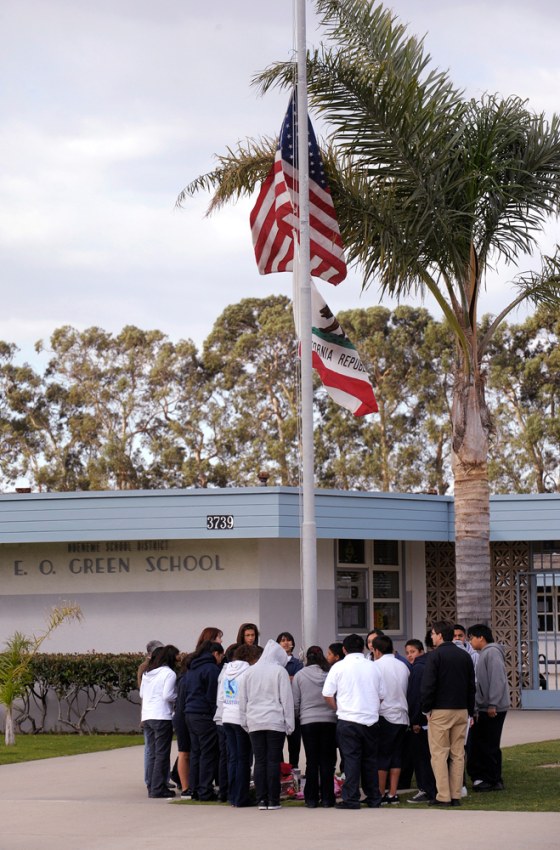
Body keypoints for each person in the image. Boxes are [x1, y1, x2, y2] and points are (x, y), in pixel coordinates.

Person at [322, 633, 385, 810]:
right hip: (371, 720)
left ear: (344, 649)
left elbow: (327, 694)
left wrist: (338, 708)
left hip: (348, 719)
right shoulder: (373, 667)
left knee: (351, 760)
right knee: (370, 760)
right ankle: (373, 797)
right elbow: (382, 696)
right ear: (364, 648)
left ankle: (351, 798)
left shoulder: (339, 667)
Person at [420, 621, 475, 807]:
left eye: (433, 634)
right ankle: (456, 794)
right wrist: (469, 710)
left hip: (440, 711)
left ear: (440, 635)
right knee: (458, 754)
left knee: (439, 754)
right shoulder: (464, 656)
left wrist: (426, 709)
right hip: (461, 710)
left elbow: (428, 686)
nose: (432, 637)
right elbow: (471, 686)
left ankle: (443, 795)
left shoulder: (434, 656)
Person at [238, 639, 294, 811]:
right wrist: (289, 724)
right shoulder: (279, 671)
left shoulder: (249, 672)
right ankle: (273, 799)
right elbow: (286, 699)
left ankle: (261, 799)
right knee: (273, 760)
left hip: (254, 721)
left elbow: (243, 700)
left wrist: (244, 721)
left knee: (259, 761)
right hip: (275, 721)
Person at [215, 643, 261, 807]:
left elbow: (220, 697)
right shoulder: (248, 672)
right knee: (243, 760)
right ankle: (242, 797)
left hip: (227, 716)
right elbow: (250, 697)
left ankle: (233, 795)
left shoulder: (226, 670)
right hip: (241, 718)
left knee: (233, 759)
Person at [292, 646, 337, 808]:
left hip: (308, 722)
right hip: (329, 720)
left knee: (312, 761)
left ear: (307, 658)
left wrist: (297, 717)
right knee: (327, 761)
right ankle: (327, 798)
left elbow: (296, 703)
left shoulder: (299, 676)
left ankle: (311, 799)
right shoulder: (329, 674)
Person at [467, 624, 510, 792]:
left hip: (493, 708)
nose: (470, 641)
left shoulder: (491, 652)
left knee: (490, 744)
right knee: (483, 743)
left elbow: (497, 679)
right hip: (486, 706)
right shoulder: (485, 653)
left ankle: (494, 780)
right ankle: (486, 777)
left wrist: (492, 703)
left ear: (481, 638)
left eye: (471, 638)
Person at [371, 634, 409, 804]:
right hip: (402, 715)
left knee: (382, 756)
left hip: (384, 715)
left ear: (376, 650)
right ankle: (392, 793)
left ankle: (379, 792)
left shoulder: (375, 666)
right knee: (396, 755)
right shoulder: (403, 666)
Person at [184, 640, 223, 801]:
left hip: (190, 712)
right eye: (221, 656)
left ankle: (195, 789)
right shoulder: (211, 669)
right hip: (204, 714)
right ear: (216, 654)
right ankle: (205, 790)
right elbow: (212, 695)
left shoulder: (192, 667)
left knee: (196, 752)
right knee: (208, 753)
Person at [139, 644, 179, 798]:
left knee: (152, 752)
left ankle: (152, 784)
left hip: (147, 715)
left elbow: (142, 693)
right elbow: (167, 695)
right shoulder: (169, 674)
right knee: (162, 753)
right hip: (162, 715)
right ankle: (158, 788)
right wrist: (179, 697)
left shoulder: (148, 673)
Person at [405, 639, 437, 803]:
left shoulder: (418, 668)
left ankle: (425, 789)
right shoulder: (430, 664)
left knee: (422, 757)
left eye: (412, 652)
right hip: (432, 718)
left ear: (420, 651)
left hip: (421, 721)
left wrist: (415, 721)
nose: (410, 655)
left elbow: (416, 697)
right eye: (408, 653)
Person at [137, 640, 163, 791]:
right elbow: (143, 689)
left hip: (149, 712)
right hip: (151, 713)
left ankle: (158, 778)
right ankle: (150, 779)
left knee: (155, 748)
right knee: (151, 749)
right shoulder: (146, 667)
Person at [277, 631, 303, 768]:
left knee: (294, 745)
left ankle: (294, 770)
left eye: (288, 640)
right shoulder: (275, 663)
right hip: (278, 708)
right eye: (282, 640)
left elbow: (297, 680)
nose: (285, 642)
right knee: (278, 745)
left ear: (292, 644)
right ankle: (282, 772)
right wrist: (289, 678)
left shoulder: (298, 663)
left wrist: (283, 679)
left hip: (294, 708)